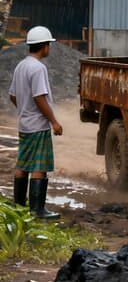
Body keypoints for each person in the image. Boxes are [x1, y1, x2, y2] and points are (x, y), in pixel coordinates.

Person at [9, 26, 62, 219]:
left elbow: (13, 95)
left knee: (23, 164)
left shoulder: (21, 66)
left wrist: (25, 109)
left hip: (24, 124)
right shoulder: (38, 68)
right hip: (38, 126)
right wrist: (54, 122)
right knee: (39, 166)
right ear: (45, 46)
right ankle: (37, 210)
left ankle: (19, 207)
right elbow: (39, 97)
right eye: (49, 45)